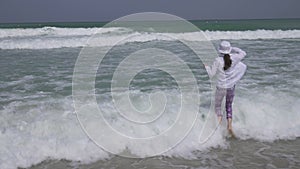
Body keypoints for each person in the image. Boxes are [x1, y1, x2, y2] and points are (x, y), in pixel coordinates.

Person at [205, 41, 247, 137]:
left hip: (221, 87)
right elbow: (243, 53)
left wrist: (206, 67)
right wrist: (232, 49)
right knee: (228, 107)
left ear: (220, 50)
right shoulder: (234, 58)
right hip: (231, 87)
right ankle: (229, 126)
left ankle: (218, 128)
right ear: (228, 49)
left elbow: (211, 75)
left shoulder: (217, 60)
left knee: (218, 107)